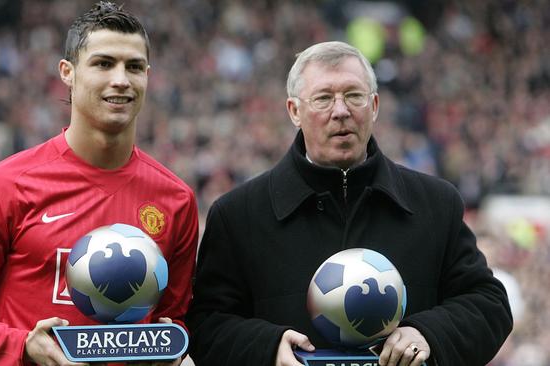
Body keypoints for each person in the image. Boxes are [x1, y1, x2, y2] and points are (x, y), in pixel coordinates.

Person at [186, 41, 512, 366]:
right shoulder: (238, 215)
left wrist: (428, 334)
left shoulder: (436, 204)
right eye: (324, 98)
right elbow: (205, 325)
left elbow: (489, 304)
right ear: (294, 111)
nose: (340, 111)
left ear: (374, 106)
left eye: (353, 96)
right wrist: (266, 347)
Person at [0, 2, 199, 366]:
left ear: (147, 75)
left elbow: (171, 324)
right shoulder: (5, 185)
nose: (121, 79)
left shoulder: (175, 199)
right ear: (67, 72)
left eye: (134, 67)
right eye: (103, 63)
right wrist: (22, 346)